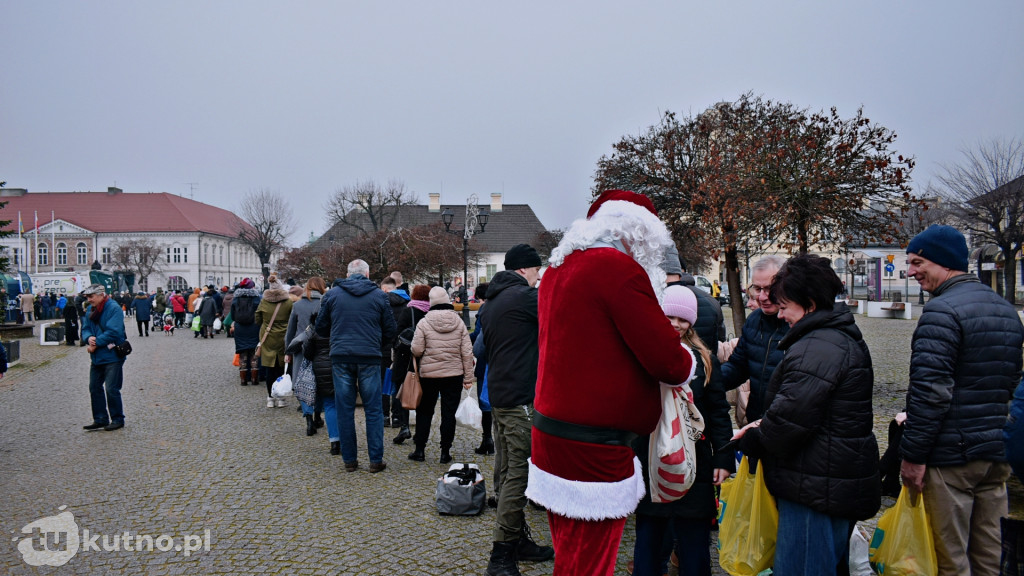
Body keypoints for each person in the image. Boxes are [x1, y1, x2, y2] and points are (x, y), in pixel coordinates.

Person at [527, 190, 694, 576]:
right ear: (638, 231)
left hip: (552, 431)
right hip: (596, 444)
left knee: (569, 553)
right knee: (592, 561)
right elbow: (669, 361)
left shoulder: (556, 269)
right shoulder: (617, 269)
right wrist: (689, 359)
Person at [735, 254, 880, 574]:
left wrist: (752, 438)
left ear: (810, 304)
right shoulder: (834, 336)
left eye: (786, 305)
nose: (780, 312)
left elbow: (789, 421)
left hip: (816, 486)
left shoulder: (818, 346)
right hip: (829, 479)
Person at [898, 224, 1024, 576]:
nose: (910, 271)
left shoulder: (941, 311)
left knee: (948, 560)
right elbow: (1011, 381)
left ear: (944, 261)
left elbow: (930, 394)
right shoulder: (1005, 310)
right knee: (989, 556)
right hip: (994, 454)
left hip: (950, 459)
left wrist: (913, 457)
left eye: (918, 261)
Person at [631, 285, 733, 576]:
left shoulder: (704, 359)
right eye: (668, 316)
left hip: (695, 461)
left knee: (694, 544)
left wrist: (723, 458)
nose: (675, 324)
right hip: (650, 457)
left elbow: (718, 411)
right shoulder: (642, 355)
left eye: (682, 319)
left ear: (692, 322)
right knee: (649, 541)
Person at [480, 243, 555, 576]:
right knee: (519, 474)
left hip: (500, 394)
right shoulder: (524, 298)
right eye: (538, 270)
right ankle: (501, 555)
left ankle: (516, 538)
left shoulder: (493, 300)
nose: (539, 277)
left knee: (509, 469)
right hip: (519, 398)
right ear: (525, 269)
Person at [314, 259, 396, 474]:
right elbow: (390, 329)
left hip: (341, 356)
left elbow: (320, 328)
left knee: (345, 408)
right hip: (369, 356)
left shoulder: (332, 295)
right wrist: (377, 344)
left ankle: (350, 460)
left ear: (348, 274)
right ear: (367, 275)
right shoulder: (379, 295)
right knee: (374, 409)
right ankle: (375, 460)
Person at [719, 255, 789, 428]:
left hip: (787, 428)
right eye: (757, 289)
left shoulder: (799, 324)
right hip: (756, 424)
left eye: (769, 289)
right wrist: (706, 380)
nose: (762, 297)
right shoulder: (754, 320)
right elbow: (738, 366)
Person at [407, 287, 475, 463]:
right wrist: (468, 377)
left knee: (425, 412)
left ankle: (420, 450)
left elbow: (416, 349)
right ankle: (445, 452)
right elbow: (467, 352)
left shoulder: (424, 322)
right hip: (454, 375)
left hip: (429, 375)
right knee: (448, 413)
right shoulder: (459, 322)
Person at [81, 284, 129, 432]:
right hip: (97, 357)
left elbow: (114, 332)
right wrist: (89, 338)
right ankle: (100, 418)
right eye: (87, 297)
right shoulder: (91, 309)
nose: (89, 300)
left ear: (101, 295)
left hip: (112, 355)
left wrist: (96, 343)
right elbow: (85, 328)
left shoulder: (113, 309)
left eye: (91, 296)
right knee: (94, 387)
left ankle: (117, 418)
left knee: (111, 388)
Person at [285, 277, 326, 436]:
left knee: (302, 383)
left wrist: (288, 351)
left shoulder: (297, 305)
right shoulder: (326, 303)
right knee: (320, 383)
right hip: (322, 349)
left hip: (301, 349)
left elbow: (290, 331)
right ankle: (317, 416)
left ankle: (308, 418)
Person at [390, 284, 431, 445]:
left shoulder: (408, 311)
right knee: (424, 394)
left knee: (402, 391)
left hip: (406, 358)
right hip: (427, 359)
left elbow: (398, 334)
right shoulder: (431, 313)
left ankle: (404, 426)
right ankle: (420, 431)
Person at [303, 312, 339, 455]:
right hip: (339, 367)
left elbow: (307, 353)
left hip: (321, 369)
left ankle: (335, 442)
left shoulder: (315, 331)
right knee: (343, 404)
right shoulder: (340, 328)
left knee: (330, 404)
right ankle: (346, 440)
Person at [255, 275, 293, 408]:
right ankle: (281, 398)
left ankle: (270, 398)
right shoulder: (289, 302)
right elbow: (293, 319)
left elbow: (257, 318)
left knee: (269, 369)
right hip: (284, 337)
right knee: (283, 369)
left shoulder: (264, 302)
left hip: (268, 337)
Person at [379, 276, 409, 428]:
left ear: (384, 289)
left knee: (382, 382)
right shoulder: (407, 303)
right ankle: (397, 416)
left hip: (383, 348)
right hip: (401, 348)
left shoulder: (381, 303)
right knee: (398, 382)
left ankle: (384, 416)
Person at [470, 281, 493, 456]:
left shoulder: (485, 310)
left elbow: (479, 340)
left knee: (485, 402)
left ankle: (487, 439)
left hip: (486, 363)